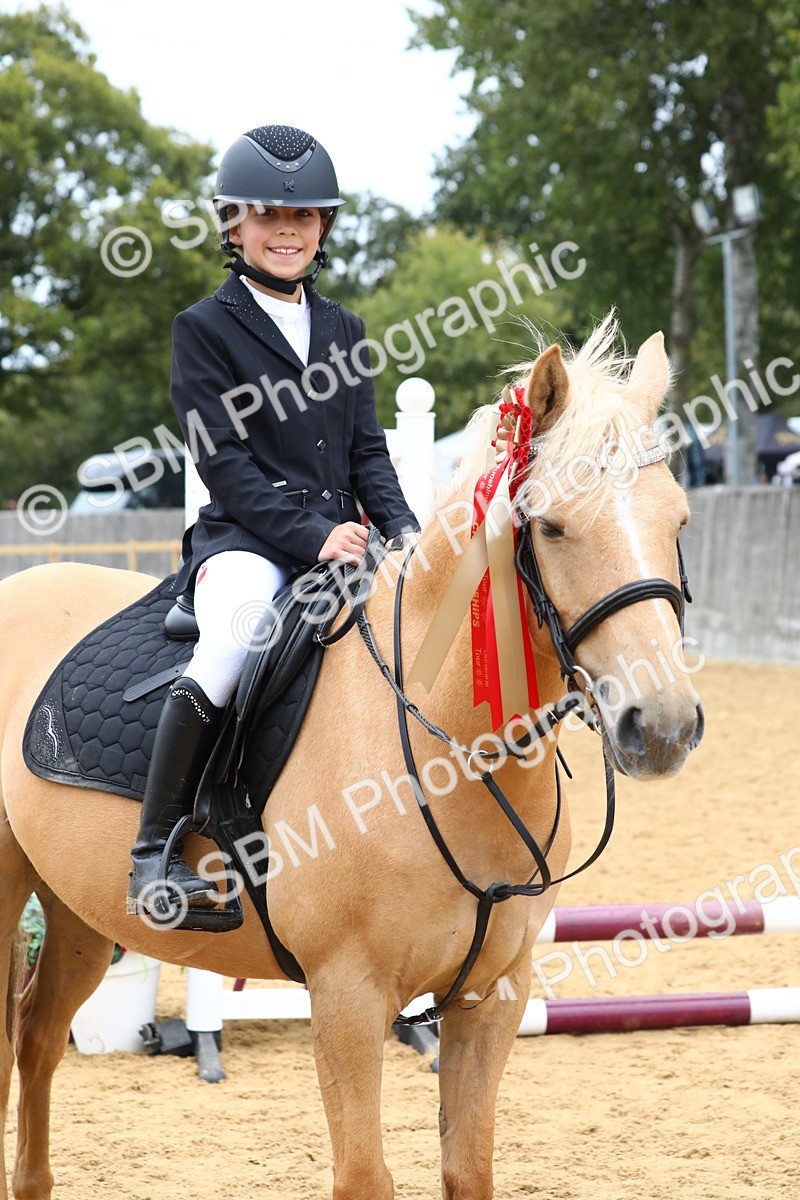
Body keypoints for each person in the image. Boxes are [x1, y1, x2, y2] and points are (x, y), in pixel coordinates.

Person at [127, 124, 420, 919]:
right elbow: (221, 463)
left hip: (345, 548)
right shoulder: (204, 328)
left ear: (323, 227)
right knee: (234, 642)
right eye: (266, 216)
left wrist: (410, 538)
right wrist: (311, 535)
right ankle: (154, 853)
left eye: (303, 217)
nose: (286, 231)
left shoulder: (345, 330)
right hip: (248, 546)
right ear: (233, 225)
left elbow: (368, 456)